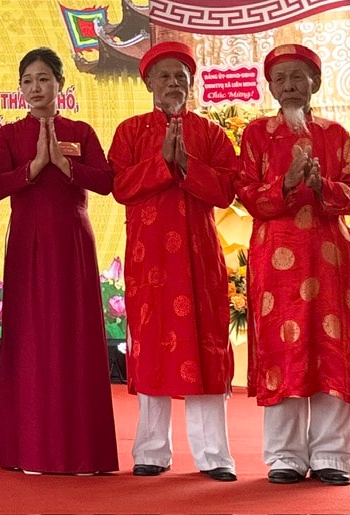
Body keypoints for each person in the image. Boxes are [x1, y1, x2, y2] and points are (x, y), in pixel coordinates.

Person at [234, 44, 350, 487]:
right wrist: (286, 183)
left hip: (329, 257)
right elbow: (246, 193)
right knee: (283, 349)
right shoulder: (256, 134)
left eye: (298, 77)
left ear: (316, 82)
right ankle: (285, 456)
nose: (289, 85)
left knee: (332, 348)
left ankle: (333, 455)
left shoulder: (336, 134)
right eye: (280, 78)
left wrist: (322, 185)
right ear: (270, 87)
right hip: (276, 260)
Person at [108, 42, 238, 481]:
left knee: (206, 349)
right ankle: (151, 451)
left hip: (200, 260)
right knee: (151, 348)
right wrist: (162, 163)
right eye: (163, 76)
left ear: (191, 82)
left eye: (180, 76)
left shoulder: (211, 134)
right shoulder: (129, 131)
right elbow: (120, 186)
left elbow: (226, 190)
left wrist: (187, 165)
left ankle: (214, 456)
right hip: (151, 263)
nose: (172, 83)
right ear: (148, 83)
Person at [0, 46, 118, 475]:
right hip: (27, 244)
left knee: (74, 336)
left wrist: (65, 165)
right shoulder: (9, 135)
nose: (35, 88)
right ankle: (30, 448)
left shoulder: (80, 131)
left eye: (44, 79)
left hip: (72, 243)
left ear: (61, 84)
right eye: (27, 81)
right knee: (31, 338)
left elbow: (107, 182)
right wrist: (36, 166)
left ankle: (83, 452)